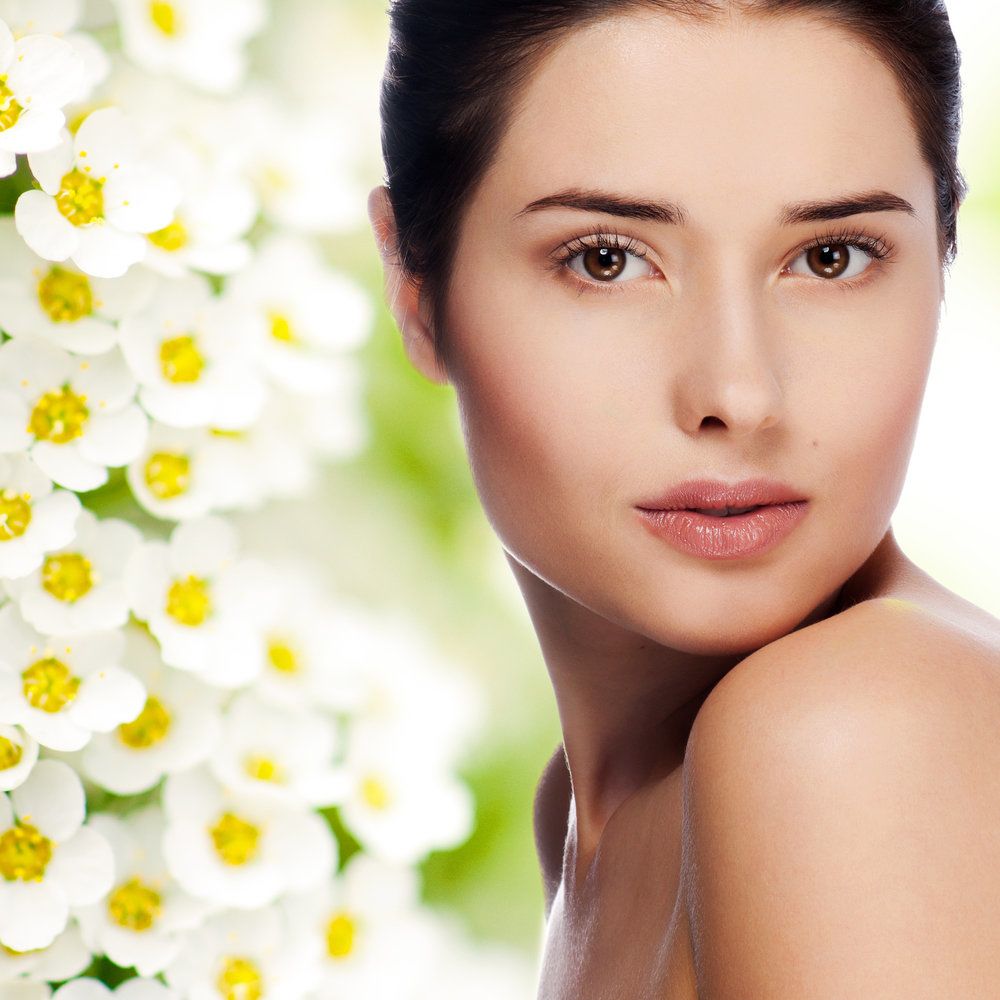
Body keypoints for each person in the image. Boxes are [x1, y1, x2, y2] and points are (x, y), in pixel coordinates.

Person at [367, 0, 1000, 994]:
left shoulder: (849, 731)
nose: (735, 395)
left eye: (829, 256)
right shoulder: (581, 817)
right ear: (416, 287)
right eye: (606, 259)